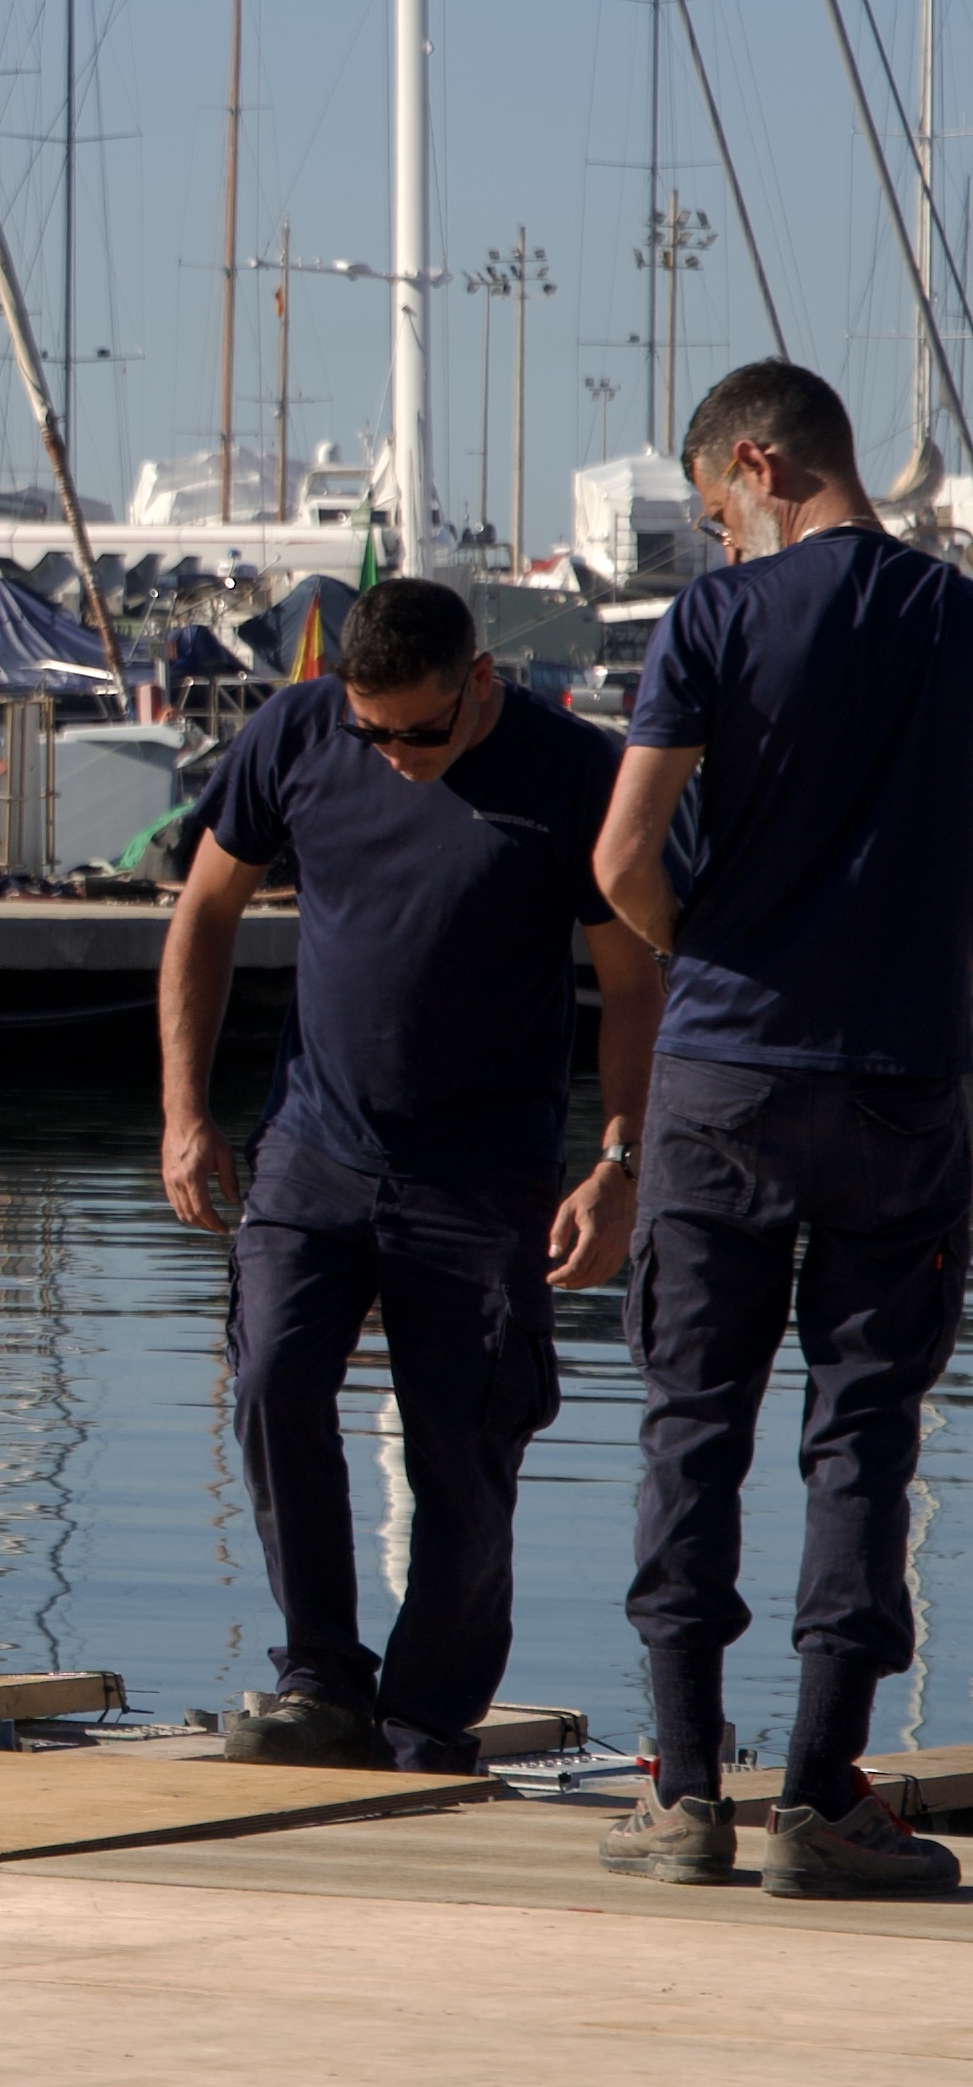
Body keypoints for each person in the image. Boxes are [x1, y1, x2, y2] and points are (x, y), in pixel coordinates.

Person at [160, 573, 656, 1774]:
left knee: (464, 1453)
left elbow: (634, 984)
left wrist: (619, 1163)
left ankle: (429, 1715)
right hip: (313, 1148)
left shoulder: (570, 773)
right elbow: (205, 914)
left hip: (483, 1175)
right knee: (272, 1376)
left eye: (420, 732)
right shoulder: (298, 733)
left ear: (480, 681)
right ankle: (320, 1677)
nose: (392, 756)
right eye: (370, 731)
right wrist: (185, 1111)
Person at [588, 360, 973, 1901]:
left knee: (695, 1421)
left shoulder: (720, 622)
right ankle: (822, 1799)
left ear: (756, 462)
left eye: (713, 512)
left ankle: (683, 1794)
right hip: (906, 1077)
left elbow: (621, 856)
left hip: (726, 1075)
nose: (719, 540)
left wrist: (708, 951)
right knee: (864, 1430)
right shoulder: (956, 620)